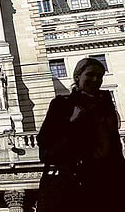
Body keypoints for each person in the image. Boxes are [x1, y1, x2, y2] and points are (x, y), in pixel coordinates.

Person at [37, 58, 125, 211]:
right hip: (73, 185)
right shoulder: (61, 104)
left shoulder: (105, 106)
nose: (96, 80)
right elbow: (46, 147)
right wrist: (72, 122)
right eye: (90, 75)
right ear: (77, 76)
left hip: (107, 184)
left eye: (100, 76)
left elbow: (114, 149)